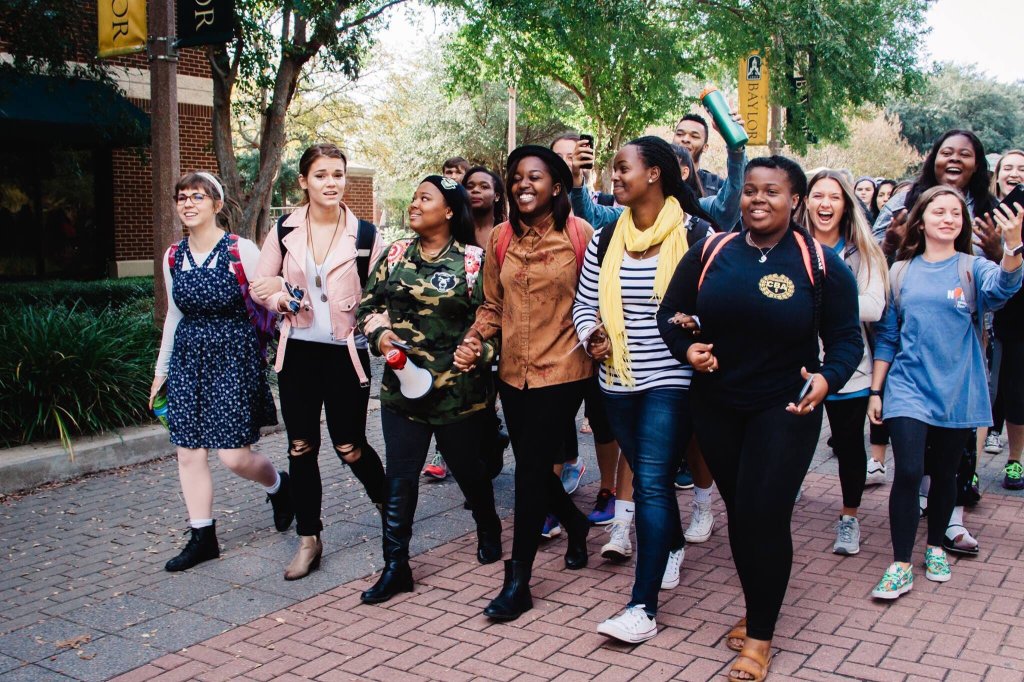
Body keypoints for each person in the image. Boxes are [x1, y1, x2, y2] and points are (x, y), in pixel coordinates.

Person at [658, 156, 862, 681]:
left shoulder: (820, 263)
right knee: (742, 514)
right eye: (750, 190)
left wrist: (828, 379)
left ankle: (760, 638)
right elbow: (670, 314)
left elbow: (846, 340)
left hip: (786, 407)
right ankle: (758, 605)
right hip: (717, 406)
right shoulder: (711, 251)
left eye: (772, 191)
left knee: (763, 515)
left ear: (795, 201)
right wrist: (687, 350)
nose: (757, 200)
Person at [573, 136, 714, 643]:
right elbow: (584, 303)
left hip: (672, 379)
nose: (615, 176)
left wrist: (695, 324)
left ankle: (642, 608)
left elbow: (715, 304)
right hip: (617, 380)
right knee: (651, 480)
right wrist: (591, 334)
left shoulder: (697, 234)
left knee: (651, 481)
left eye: (622, 167)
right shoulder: (606, 237)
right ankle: (671, 543)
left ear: (654, 173)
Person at [458, 145, 594, 622]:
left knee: (531, 470)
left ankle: (518, 582)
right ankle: (576, 524)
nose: (522, 185)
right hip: (513, 373)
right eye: (516, 177)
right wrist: (475, 338)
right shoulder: (501, 237)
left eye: (534, 177)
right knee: (532, 466)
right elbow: (493, 305)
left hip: (564, 370)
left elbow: (595, 302)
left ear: (556, 186)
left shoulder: (579, 234)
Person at [868, 186, 1022, 599]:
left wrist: (1013, 247)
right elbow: (888, 336)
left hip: (958, 387)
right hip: (907, 387)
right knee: (909, 471)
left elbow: (1004, 288)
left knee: (946, 474)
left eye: (955, 212)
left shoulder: (974, 268)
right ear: (921, 220)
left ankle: (935, 546)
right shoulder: (900, 272)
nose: (949, 218)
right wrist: (876, 390)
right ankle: (900, 563)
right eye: (939, 211)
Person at [356, 175, 502, 604]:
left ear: (450, 210)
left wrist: (480, 352)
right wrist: (380, 335)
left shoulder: (474, 262)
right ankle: (396, 566)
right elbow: (368, 306)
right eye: (415, 197)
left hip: (459, 393)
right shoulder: (395, 254)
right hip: (403, 390)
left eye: (426, 198)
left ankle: (488, 524)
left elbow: (498, 321)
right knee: (400, 478)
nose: (415, 204)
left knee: (468, 470)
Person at [250, 144, 387, 580]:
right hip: (298, 353)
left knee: (350, 446)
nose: (331, 183)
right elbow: (260, 283)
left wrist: (382, 330)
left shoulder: (365, 235)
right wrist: (279, 299)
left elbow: (382, 295)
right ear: (304, 181)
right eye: (321, 175)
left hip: (346, 353)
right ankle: (309, 538)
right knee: (301, 447)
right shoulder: (284, 229)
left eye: (338, 174)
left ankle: (390, 508)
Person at [150, 171, 292, 573]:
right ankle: (202, 536)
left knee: (233, 457)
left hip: (233, 358)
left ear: (216, 204)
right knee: (188, 452)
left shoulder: (239, 249)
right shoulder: (173, 256)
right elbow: (174, 316)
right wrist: (161, 371)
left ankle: (279, 486)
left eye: (198, 196)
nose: (188, 203)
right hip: (188, 360)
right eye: (182, 197)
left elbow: (268, 296)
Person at [803, 170, 888, 556]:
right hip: (796, 364)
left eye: (834, 197)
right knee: (786, 440)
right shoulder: (790, 244)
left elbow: (873, 307)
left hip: (849, 366)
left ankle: (849, 517)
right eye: (818, 195)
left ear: (846, 204)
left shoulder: (862, 251)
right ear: (805, 201)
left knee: (849, 445)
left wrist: (811, 302)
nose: (825, 203)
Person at [988, 150, 1024, 489]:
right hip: (984, 316)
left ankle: (1015, 461)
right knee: (986, 390)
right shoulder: (985, 212)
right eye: (1008, 167)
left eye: (1022, 169)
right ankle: (969, 466)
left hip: (1018, 320)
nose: (1014, 174)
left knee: (1016, 391)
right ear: (997, 175)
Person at [672, 113, 724, 196]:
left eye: (694, 136)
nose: (685, 139)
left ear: (705, 147)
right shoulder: (658, 178)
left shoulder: (717, 185)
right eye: (680, 134)